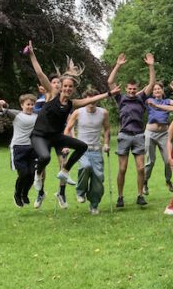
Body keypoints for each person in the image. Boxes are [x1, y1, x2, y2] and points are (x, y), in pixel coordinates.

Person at [31, 66, 118, 209]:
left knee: (82, 146)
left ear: (73, 89)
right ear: (61, 86)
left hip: (56, 136)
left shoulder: (72, 103)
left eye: (70, 87)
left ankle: (64, 171)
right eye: (65, 86)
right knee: (45, 158)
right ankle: (38, 174)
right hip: (40, 136)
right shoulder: (52, 95)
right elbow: (40, 74)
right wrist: (32, 54)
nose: (67, 88)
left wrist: (108, 94)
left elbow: (93, 99)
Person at [107, 52, 156, 208]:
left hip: (139, 136)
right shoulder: (120, 98)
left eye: (134, 89)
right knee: (122, 168)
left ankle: (140, 195)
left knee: (141, 168)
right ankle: (120, 197)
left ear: (137, 89)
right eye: (130, 88)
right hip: (124, 135)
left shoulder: (141, 99)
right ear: (126, 89)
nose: (132, 91)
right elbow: (110, 81)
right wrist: (118, 65)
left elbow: (152, 83)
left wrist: (151, 66)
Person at [25, 41, 66, 207]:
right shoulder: (46, 97)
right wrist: (32, 55)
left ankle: (61, 194)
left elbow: (71, 119)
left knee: (63, 165)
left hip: (60, 136)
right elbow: (39, 73)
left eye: (59, 82)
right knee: (43, 164)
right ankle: (41, 193)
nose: (56, 84)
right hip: (44, 136)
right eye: (54, 82)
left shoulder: (66, 100)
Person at [64, 89, 111, 215]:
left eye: (94, 98)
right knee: (85, 166)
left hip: (96, 150)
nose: (92, 101)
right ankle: (80, 192)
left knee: (98, 179)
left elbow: (107, 129)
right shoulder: (78, 112)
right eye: (89, 98)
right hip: (82, 149)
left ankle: (94, 205)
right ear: (85, 100)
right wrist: (66, 145)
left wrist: (106, 143)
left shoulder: (103, 113)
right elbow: (68, 128)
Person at [0, 94, 39, 207]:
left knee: (31, 174)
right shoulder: (16, 114)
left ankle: (25, 194)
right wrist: (1, 104)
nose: (30, 106)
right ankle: (17, 194)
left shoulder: (36, 115)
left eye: (32, 104)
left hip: (32, 148)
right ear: (22, 105)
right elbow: (0, 111)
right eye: (28, 104)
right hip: (18, 148)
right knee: (23, 173)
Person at [143, 81, 173, 196]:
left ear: (162, 90)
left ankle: (168, 181)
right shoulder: (149, 101)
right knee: (150, 161)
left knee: (168, 160)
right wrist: (146, 89)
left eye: (159, 89)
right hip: (150, 133)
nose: (157, 91)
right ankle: (144, 182)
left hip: (164, 134)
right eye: (154, 89)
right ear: (152, 92)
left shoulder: (167, 101)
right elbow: (141, 97)